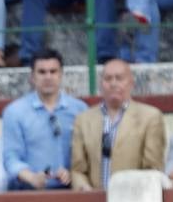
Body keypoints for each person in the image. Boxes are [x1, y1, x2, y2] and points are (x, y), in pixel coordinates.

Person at [71, 58, 166, 190]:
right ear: (101, 84)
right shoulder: (83, 119)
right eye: (108, 79)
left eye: (119, 78)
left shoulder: (150, 117)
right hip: (93, 200)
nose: (113, 83)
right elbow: (78, 169)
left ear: (131, 83)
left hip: (133, 199)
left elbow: (152, 168)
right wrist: (84, 189)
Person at [2, 48, 86, 190]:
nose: (48, 77)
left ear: (61, 75)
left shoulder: (79, 109)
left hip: (71, 190)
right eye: (42, 72)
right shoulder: (14, 112)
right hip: (28, 192)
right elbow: (11, 157)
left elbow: (87, 154)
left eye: (53, 71)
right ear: (32, 77)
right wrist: (31, 177)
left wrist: (73, 173)